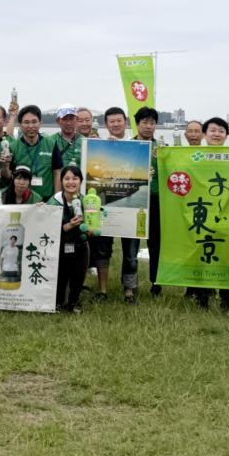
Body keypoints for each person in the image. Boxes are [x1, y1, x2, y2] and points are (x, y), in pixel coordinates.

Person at [91, 108, 142, 304]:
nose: (115, 124)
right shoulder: (101, 146)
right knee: (103, 250)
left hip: (129, 208)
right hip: (106, 204)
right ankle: (102, 290)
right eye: (111, 121)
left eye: (119, 121)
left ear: (126, 122)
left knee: (131, 252)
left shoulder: (137, 147)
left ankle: (129, 291)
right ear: (106, 124)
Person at [189, 117, 229, 311]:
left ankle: (226, 299)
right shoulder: (195, 156)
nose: (217, 134)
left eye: (221, 131)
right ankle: (202, 298)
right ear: (204, 134)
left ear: (226, 135)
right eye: (213, 130)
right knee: (202, 256)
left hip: (228, 217)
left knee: (227, 257)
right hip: (202, 216)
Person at [48, 165, 90, 312]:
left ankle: (73, 302)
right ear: (61, 181)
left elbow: (92, 228)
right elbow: (48, 228)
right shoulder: (54, 201)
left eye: (75, 178)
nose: (71, 182)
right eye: (66, 178)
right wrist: (69, 225)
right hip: (59, 245)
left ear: (81, 181)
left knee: (78, 275)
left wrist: (92, 228)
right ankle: (57, 303)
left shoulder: (87, 201)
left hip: (80, 244)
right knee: (60, 275)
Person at [134, 107, 163, 298]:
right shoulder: (127, 146)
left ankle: (156, 283)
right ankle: (129, 283)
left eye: (151, 122)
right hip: (134, 199)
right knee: (131, 245)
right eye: (144, 122)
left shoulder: (162, 149)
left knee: (155, 244)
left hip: (155, 200)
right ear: (137, 124)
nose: (148, 126)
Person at [7, 105, 55, 201]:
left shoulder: (51, 143)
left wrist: (57, 199)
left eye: (34, 122)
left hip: (47, 200)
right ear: (20, 125)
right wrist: (4, 165)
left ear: (40, 123)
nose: (31, 126)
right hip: (22, 202)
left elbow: (57, 172)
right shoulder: (13, 147)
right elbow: (8, 175)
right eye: (26, 122)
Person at [52, 104, 85, 189]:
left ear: (77, 120)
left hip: (78, 189)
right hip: (57, 188)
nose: (68, 123)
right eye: (65, 119)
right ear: (58, 121)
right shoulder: (50, 141)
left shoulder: (84, 141)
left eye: (71, 119)